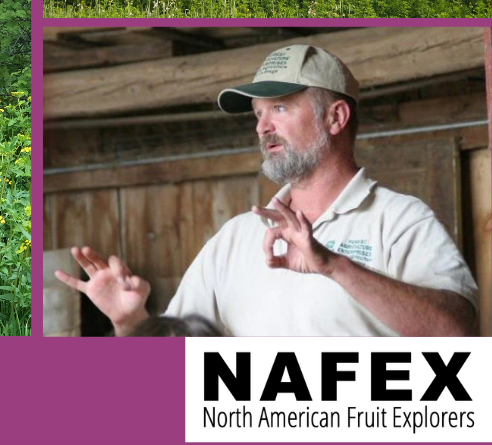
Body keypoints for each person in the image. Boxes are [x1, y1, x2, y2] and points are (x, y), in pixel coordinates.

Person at [55, 43, 479, 337]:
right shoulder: (237, 238)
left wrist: (334, 266)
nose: (262, 127)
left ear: (336, 118)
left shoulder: (400, 220)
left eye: (280, 107)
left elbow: (459, 333)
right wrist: (129, 322)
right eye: (258, 114)